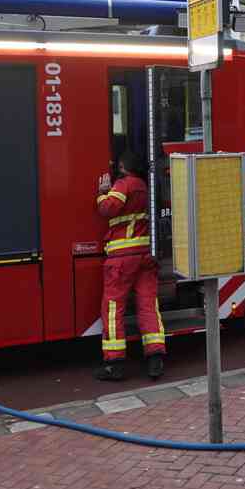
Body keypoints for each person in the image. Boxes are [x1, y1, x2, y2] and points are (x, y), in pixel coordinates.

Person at [93, 151, 165, 381]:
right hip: (145, 255)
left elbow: (108, 209)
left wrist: (102, 194)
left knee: (113, 308)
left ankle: (114, 364)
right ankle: (155, 359)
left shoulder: (124, 185)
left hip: (122, 258)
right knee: (148, 306)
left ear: (124, 166)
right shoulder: (145, 185)